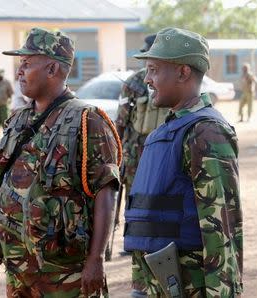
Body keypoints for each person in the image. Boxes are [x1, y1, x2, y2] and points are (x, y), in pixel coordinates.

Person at [0, 27, 121, 297]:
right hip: (19, 266)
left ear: (52, 69)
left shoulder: (88, 121)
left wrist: (96, 259)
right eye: (20, 63)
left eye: (27, 63)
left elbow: (106, 192)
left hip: (64, 271)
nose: (19, 71)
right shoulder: (18, 120)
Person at [124, 27, 243, 297]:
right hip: (154, 283)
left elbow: (221, 229)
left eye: (154, 69)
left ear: (183, 72)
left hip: (188, 285)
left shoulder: (206, 131)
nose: (147, 79)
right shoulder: (166, 131)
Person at [115, 33, 169, 298]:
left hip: (137, 153)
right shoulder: (154, 80)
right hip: (155, 152)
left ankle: (134, 242)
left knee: (135, 200)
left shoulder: (133, 82)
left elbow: (121, 120)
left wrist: (119, 150)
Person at [0, 69, 13, 136]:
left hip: (3, 107)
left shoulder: (6, 82)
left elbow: (11, 95)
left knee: (5, 125)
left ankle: (6, 142)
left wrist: (10, 104)